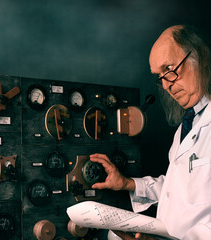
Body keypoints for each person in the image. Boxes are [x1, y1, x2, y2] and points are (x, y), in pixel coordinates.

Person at [90, 24, 211, 240]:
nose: (166, 85)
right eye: (159, 76)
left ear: (198, 57)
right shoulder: (189, 124)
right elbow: (179, 187)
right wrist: (127, 183)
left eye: (169, 69)